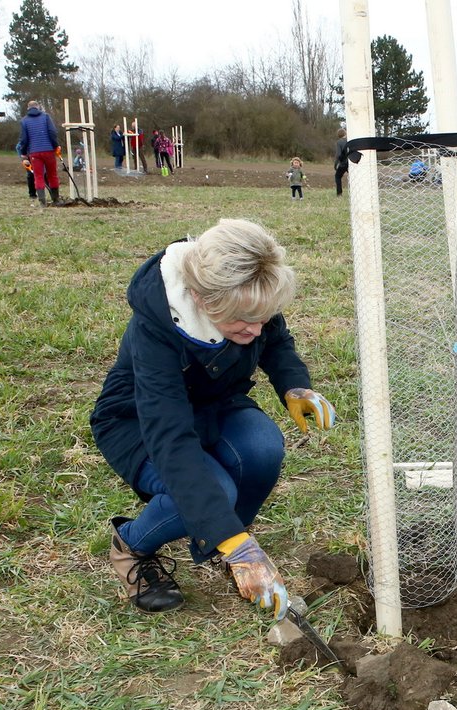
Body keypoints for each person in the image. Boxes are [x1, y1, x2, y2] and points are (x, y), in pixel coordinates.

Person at [90, 218, 337, 617]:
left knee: (262, 447)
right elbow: (171, 442)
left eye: (264, 315)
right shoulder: (156, 331)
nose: (257, 329)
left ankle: (230, 545)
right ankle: (132, 545)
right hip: (139, 421)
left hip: (213, 404)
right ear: (203, 300)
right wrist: (231, 538)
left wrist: (295, 386)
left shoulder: (248, 296)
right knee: (213, 489)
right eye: (244, 321)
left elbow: (276, 341)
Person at [16, 100, 61, 206]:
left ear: (28, 108)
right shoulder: (46, 117)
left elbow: (24, 139)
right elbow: (52, 132)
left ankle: (42, 201)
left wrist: (23, 153)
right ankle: (56, 200)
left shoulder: (24, 121)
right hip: (48, 150)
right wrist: (55, 146)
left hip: (34, 152)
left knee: (38, 176)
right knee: (52, 175)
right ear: (38, 107)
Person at [334, 129, 349, 196]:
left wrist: (336, 164)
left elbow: (338, 154)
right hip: (351, 161)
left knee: (337, 176)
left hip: (343, 163)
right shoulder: (349, 140)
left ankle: (339, 193)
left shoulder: (339, 142)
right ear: (345, 133)